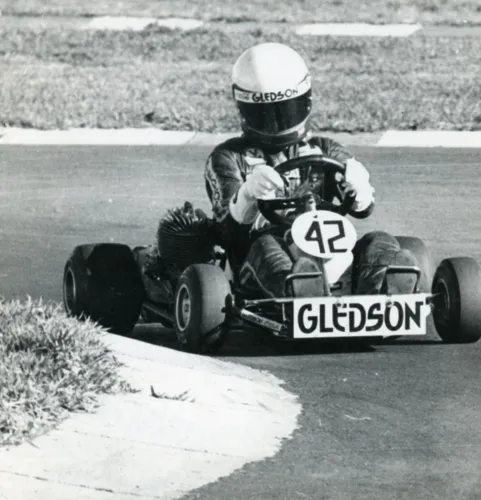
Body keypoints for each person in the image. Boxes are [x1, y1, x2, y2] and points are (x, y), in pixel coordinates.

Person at [204, 42, 418, 298]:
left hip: (329, 246)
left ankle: (385, 287)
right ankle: (299, 289)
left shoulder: (325, 149)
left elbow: (363, 210)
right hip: (258, 258)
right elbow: (225, 231)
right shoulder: (228, 157)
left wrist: (359, 188)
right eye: (265, 113)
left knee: (378, 240)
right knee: (267, 244)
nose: (277, 122)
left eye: (287, 110)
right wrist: (248, 194)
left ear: (305, 101)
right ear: (244, 108)